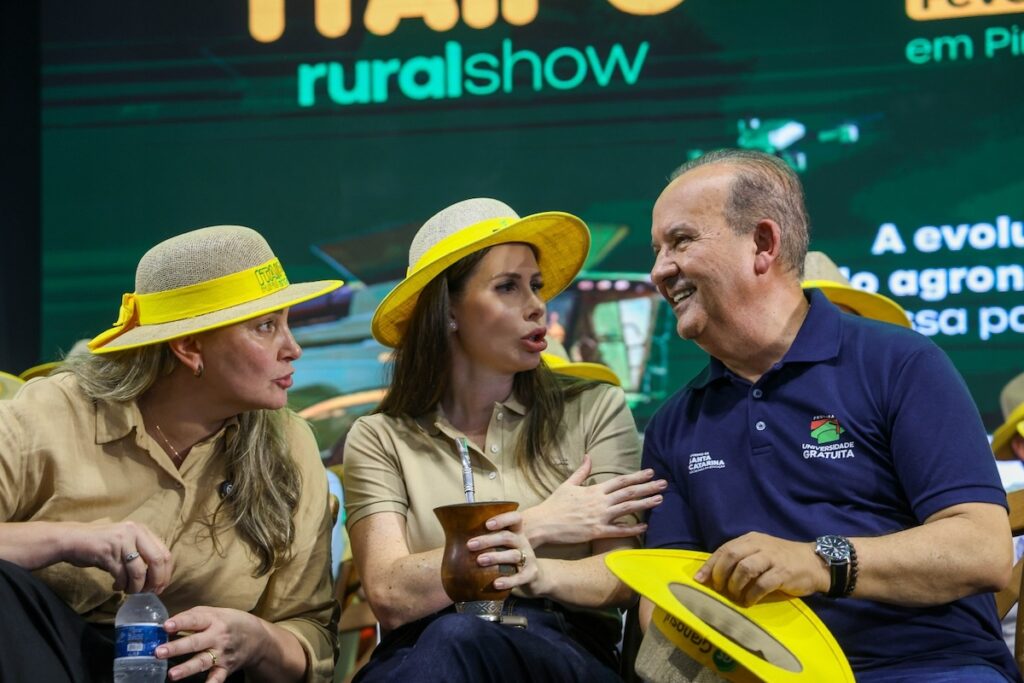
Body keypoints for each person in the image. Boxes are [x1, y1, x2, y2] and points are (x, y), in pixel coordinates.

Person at [641, 149, 1019, 681]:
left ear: (763, 243)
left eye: (681, 241)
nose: (659, 270)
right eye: (657, 250)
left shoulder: (901, 362)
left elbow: (982, 549)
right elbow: (663, 596)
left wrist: (820, 562)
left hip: (927, 665)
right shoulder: (673, 425)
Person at [343, 197, 667, 682]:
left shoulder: (594, 407)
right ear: (448, 310)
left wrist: (540, 574)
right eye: (508, 287)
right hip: (422, 650)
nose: (538, 305)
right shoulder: (380, 436)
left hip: (561, 647)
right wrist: (535, 525)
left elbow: (621, 576)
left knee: (456, 637)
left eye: (535, 285)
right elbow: (390, 595)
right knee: (447, 640)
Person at [0, 225, 342, 683]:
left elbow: (312, 640)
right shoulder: (53, 414)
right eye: (266, 327)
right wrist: (68, 539)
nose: (293, 348)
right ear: (189, 346)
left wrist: (254, 638)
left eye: (287, 322)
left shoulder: (290, 447)